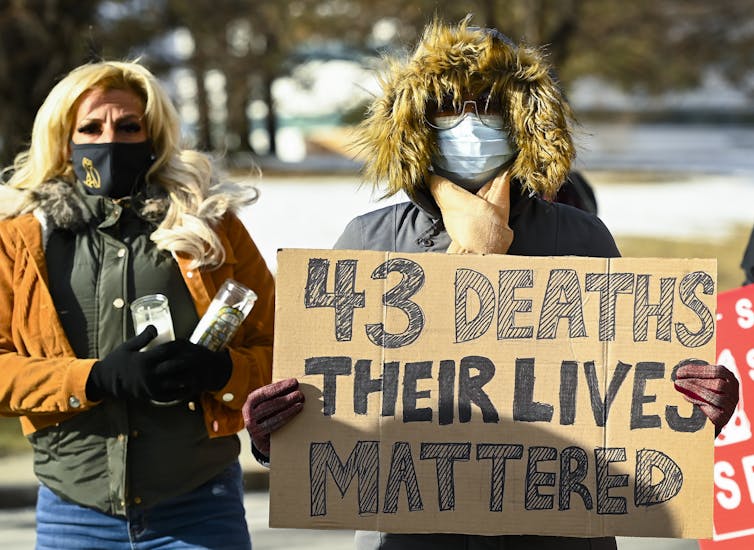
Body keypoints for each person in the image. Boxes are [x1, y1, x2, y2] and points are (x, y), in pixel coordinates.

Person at [243, 17, 738, 550]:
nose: (470, 124)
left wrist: (695, 407)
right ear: (417, 122)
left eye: (490, 106)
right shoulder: (369, 241)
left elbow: (624, 400)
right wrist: (279, 435)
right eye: (450, 106)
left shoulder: (581, 236)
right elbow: (333, 412)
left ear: (523, 118)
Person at [0, 60, 275, 549]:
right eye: (91, 127)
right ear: (64, 138)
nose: (110, 139)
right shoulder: (19, 238)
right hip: (73, 514)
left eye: (129, 127)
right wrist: (94, 379)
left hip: (199, 508)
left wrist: (222, 372)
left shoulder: (209, 224)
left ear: (154, 138)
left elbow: (282, 346)